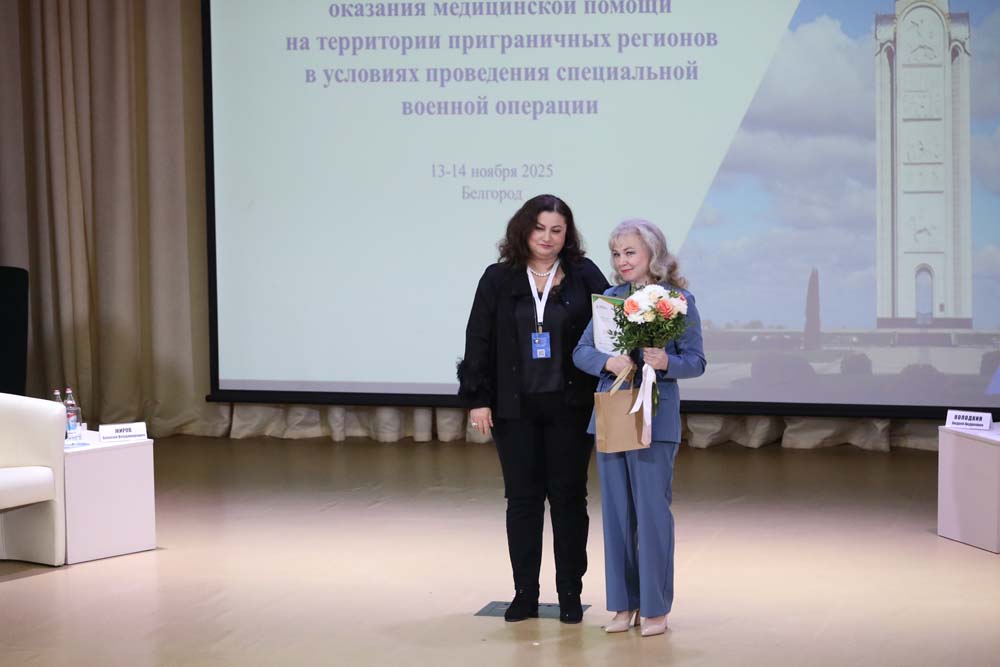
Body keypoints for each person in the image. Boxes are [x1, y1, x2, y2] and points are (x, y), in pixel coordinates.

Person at [458, 194, 610, 623]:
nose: (548, 237)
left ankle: (569, 593)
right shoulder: (498, 278)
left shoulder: (584, 274)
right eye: (540, 228)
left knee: (569, 499)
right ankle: (524, 593)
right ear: (523, 229)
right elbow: (478, 339)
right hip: (514, 409)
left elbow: (610, 328)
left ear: (567, 234)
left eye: (557, 230)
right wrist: (477, 398)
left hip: (570, 406)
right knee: (522, 500)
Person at [572, 219, 706, 637]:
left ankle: (655, 608)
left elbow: (696, 361)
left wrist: (666, 363)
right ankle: (623, 605)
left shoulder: (677, 300)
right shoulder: (609, 300)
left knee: (651, 514)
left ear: (653, 253)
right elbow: (581, 352)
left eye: (630, 252)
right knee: (616, 515)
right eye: (616, 253)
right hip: (612, 413)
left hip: (655, 418)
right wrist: (606, 362)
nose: (622, 261)